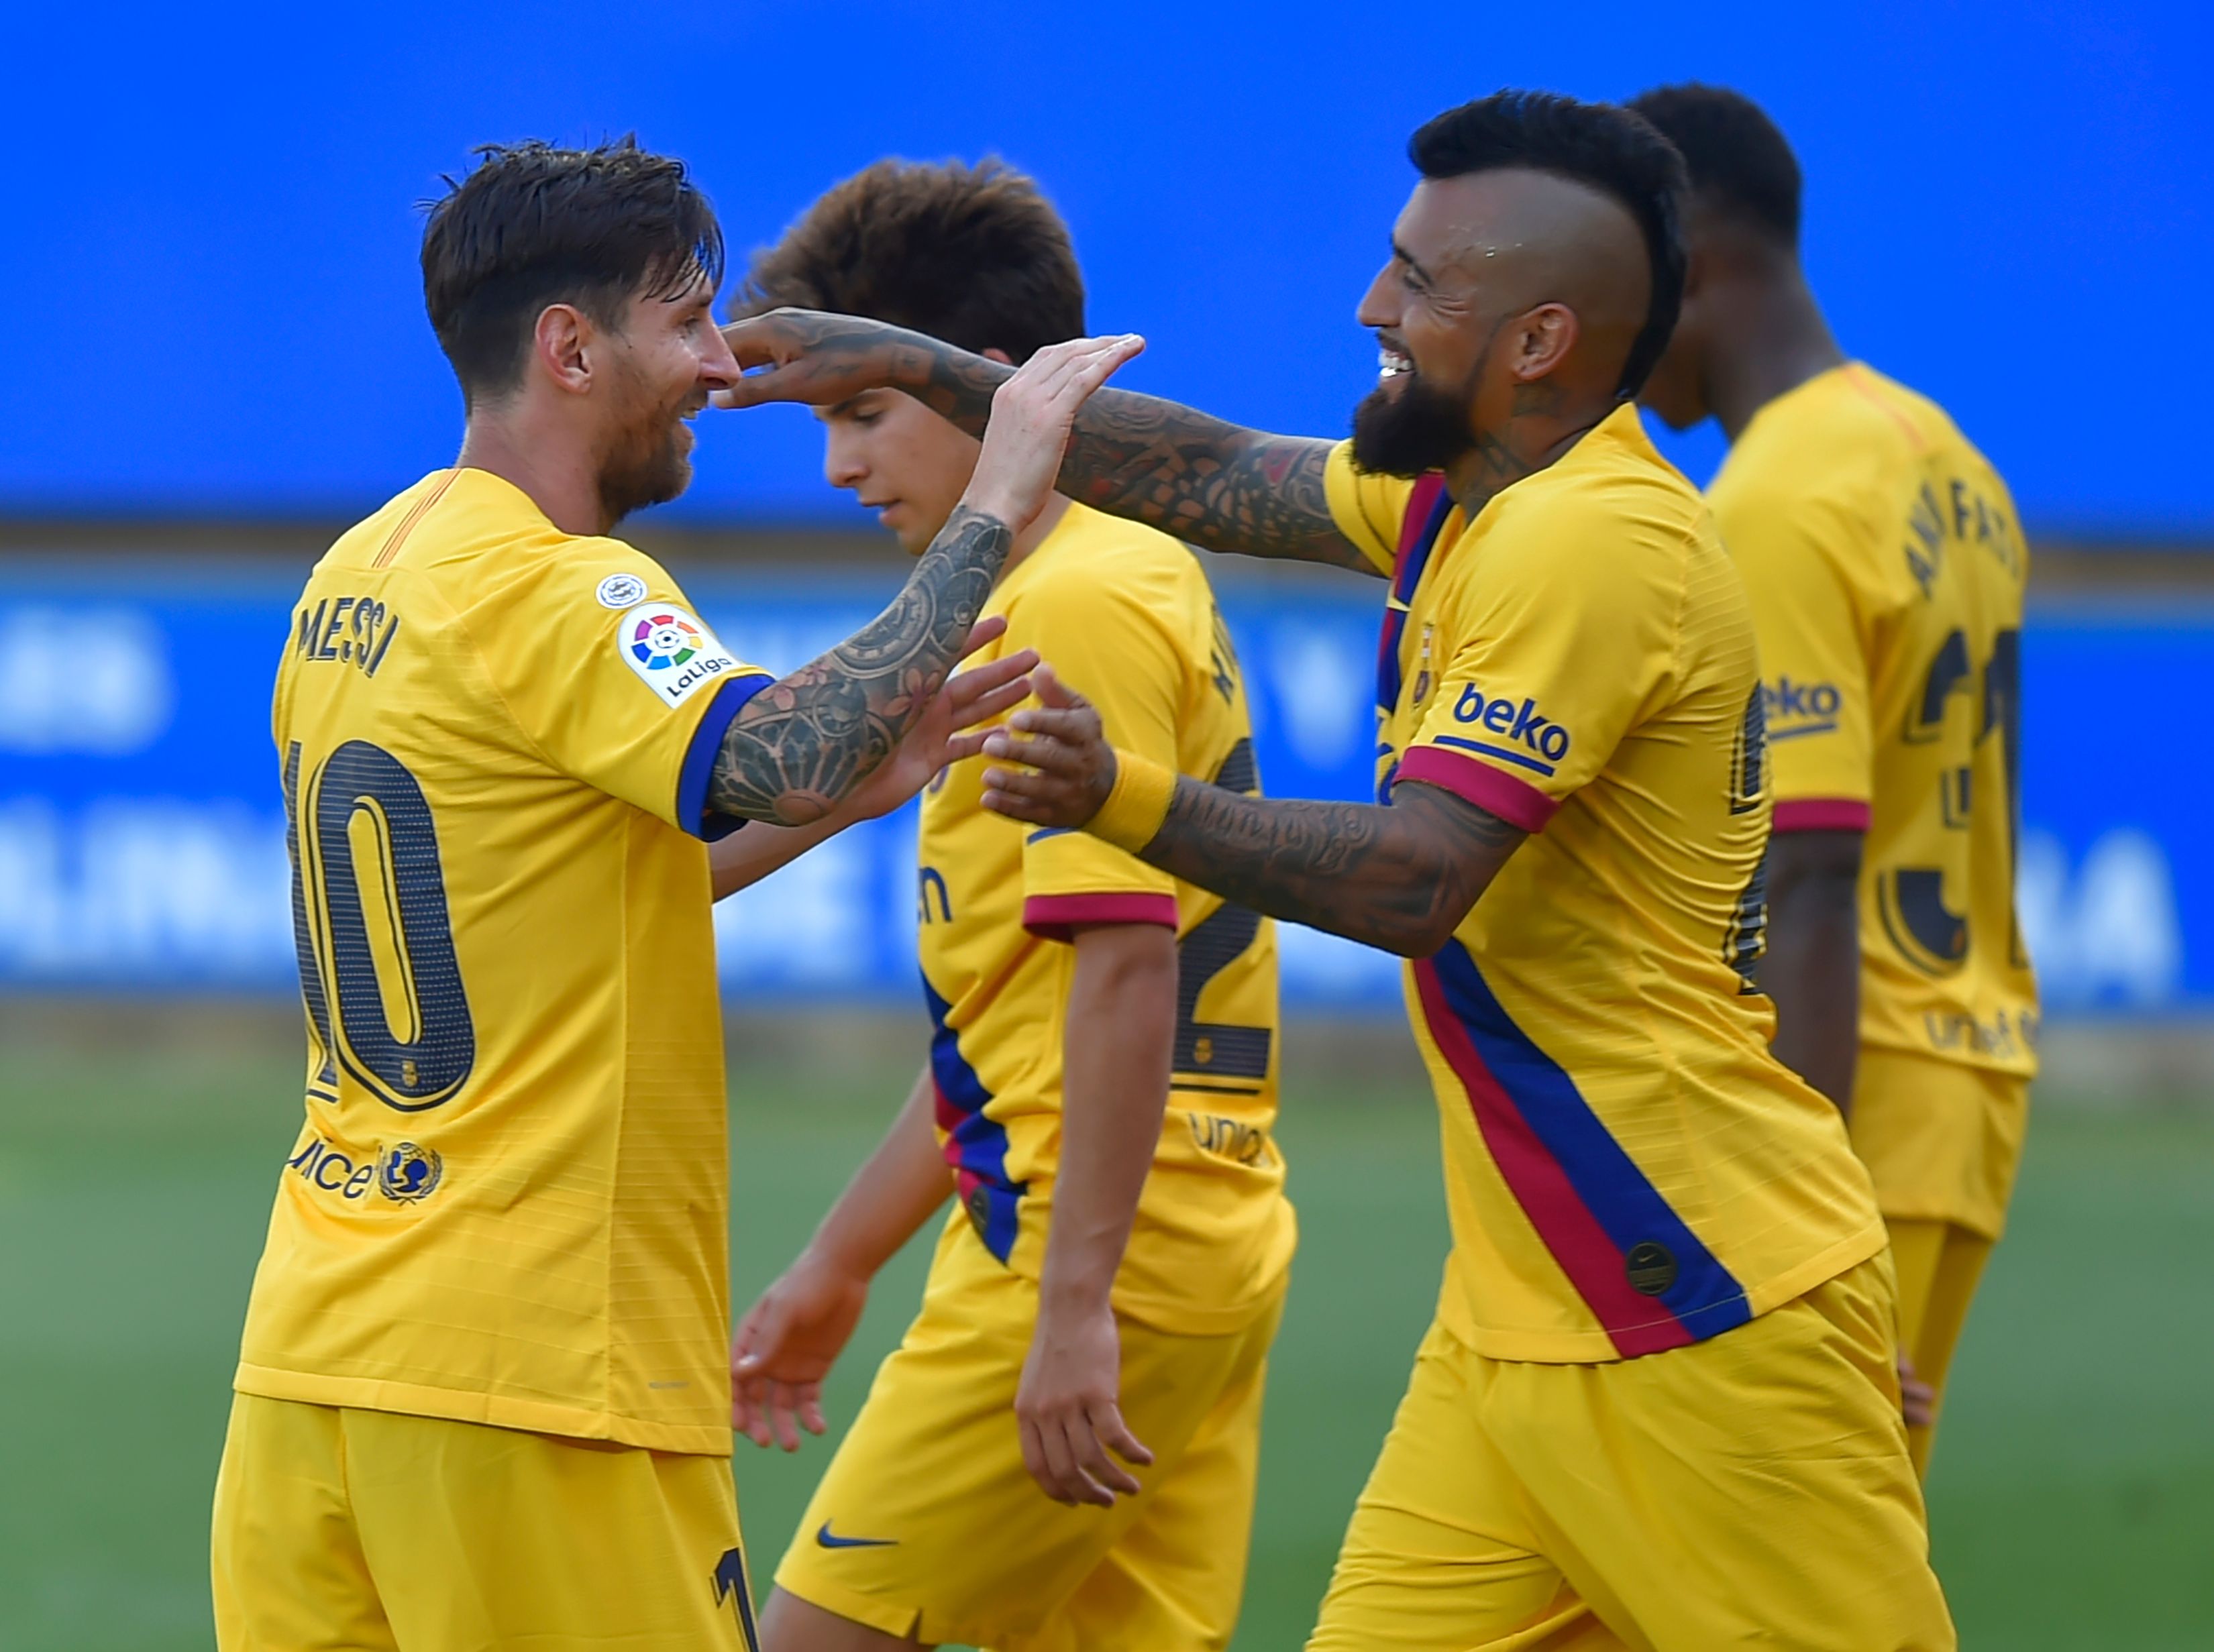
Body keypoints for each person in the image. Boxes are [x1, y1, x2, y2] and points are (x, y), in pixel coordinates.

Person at [722, 90, 1954, 1649]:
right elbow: (1214, 465)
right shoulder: (1460, 495)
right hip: (1522, 1310)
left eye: (1424, 282)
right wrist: (928, 368)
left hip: (1693, 1296)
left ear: (1538, 341)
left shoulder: (1596, 543)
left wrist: (1124, 793)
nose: (1375, 303)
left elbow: (1419, 877)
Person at [208, 136, 1139, 1652]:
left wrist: (867, 781)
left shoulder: (364, 571)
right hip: (537, 1373)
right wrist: (998, 497)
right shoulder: (569, 586)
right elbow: (772, 748)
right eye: (688, 318)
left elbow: (581, 868)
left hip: (317, 1357)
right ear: (572, 347)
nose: (720, 363)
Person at [723, 157, 1292, 1652]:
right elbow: (1022, 1021)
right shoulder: (1112, 574)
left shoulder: (1068, 602)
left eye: (861, 411)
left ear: (988, 392)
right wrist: (841, 1261)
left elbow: (1122, 975)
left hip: (1095, 1253)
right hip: (1191, 1234)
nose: (840, 467)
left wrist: (1072, 1306)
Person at [1629, 83, 2037, 1475]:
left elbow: (1807, 866)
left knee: (1804, 1578)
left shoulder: (1778, 501)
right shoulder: (1946, 462)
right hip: (1956, 1078)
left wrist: (1795, 1210)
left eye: (1633, 287)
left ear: (1697, 266)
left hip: (1861, 1095)